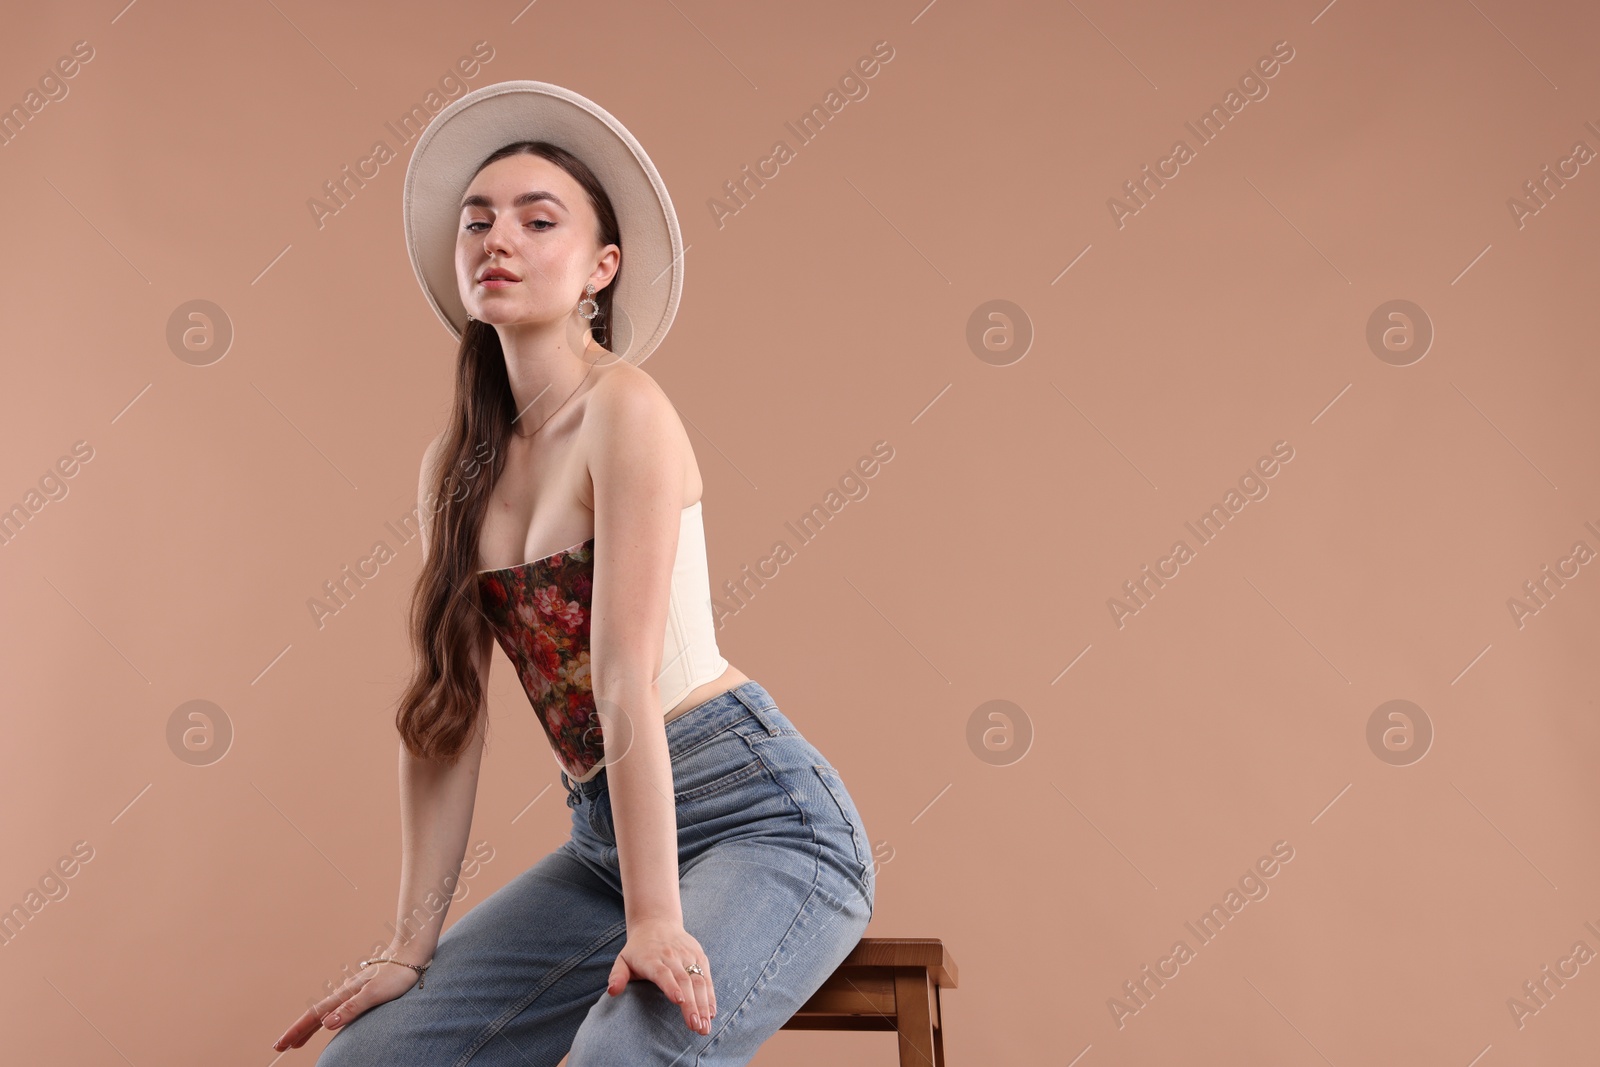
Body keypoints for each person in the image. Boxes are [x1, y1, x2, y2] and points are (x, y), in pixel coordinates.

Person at [270, 81, 875, 1065]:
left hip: (758, 816)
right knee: (365, 1059)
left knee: (619, 1054)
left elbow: (622, 676)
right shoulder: (454, 465)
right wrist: (407, 946)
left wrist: (655, 917)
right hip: (606, 838)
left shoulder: (624, 408)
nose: (495, 237)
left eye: (535, 219)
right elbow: (448, 715)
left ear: (602, 266)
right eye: (477, 220)